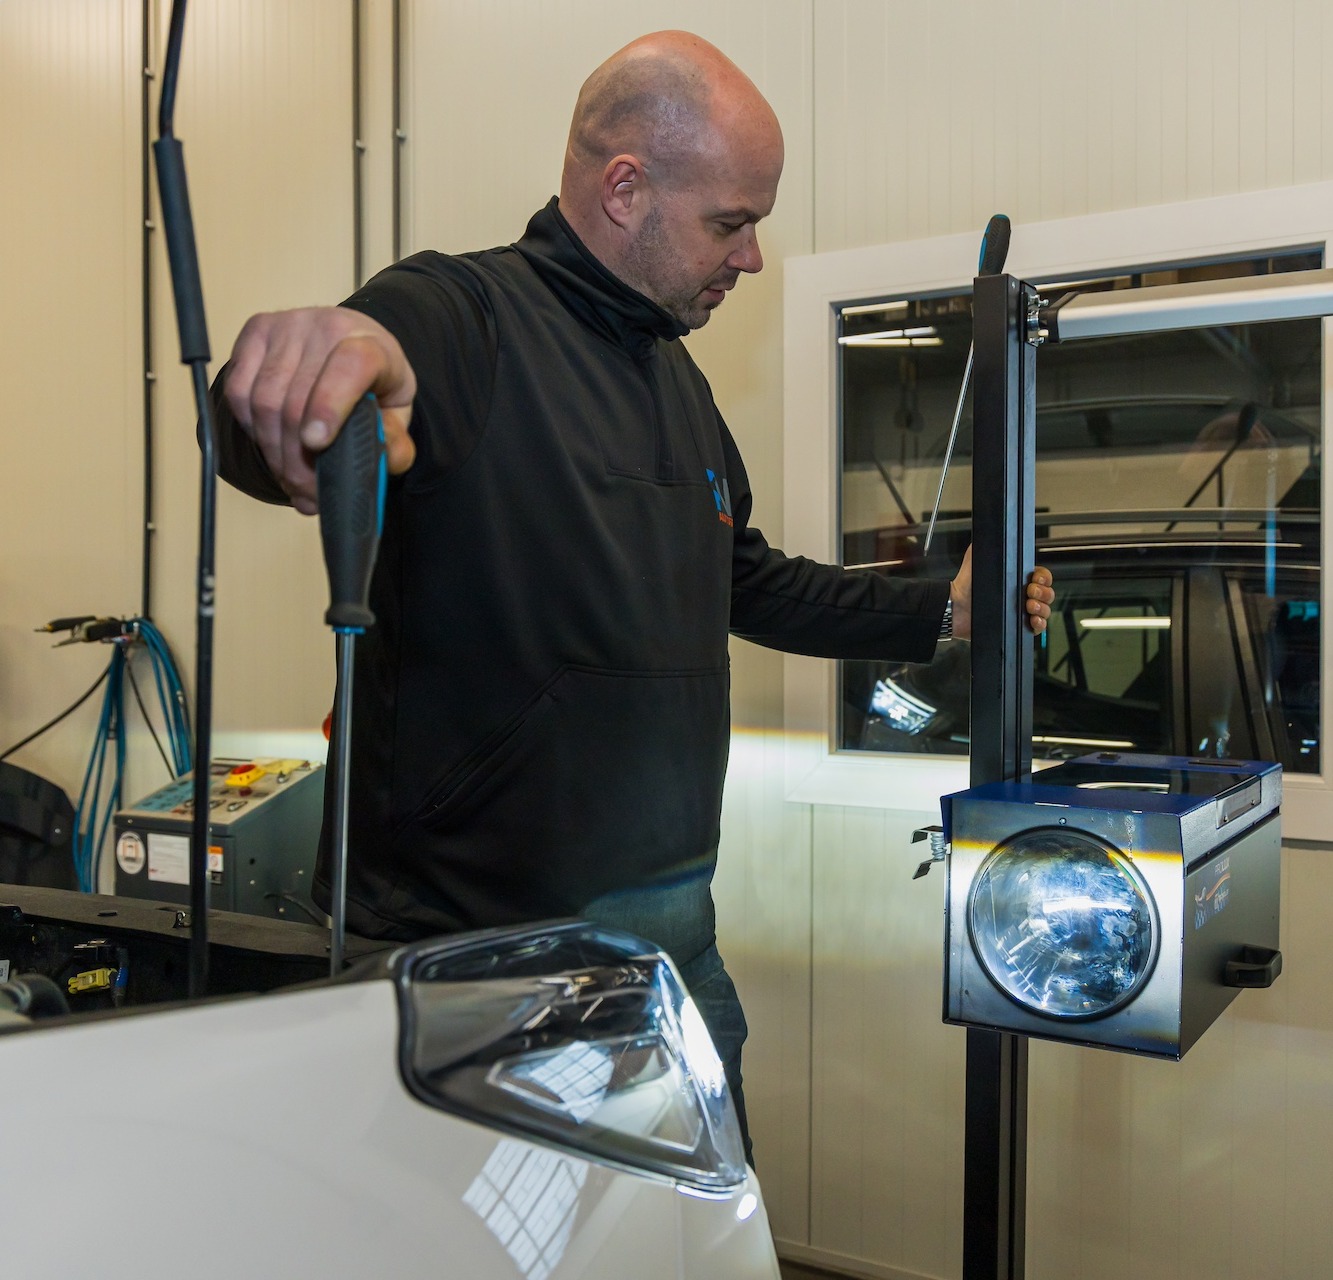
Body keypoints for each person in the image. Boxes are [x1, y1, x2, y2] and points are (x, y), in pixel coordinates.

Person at [212, 30, 1055, 1162]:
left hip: (672, 950)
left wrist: (939, 611)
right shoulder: (463, 315)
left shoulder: (680, 384)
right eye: (730, 222)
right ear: (624, 189)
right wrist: (316, 367)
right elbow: (349, 367)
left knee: (696, 1226)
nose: (751, 257)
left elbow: (743, 579)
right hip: (477, 962)